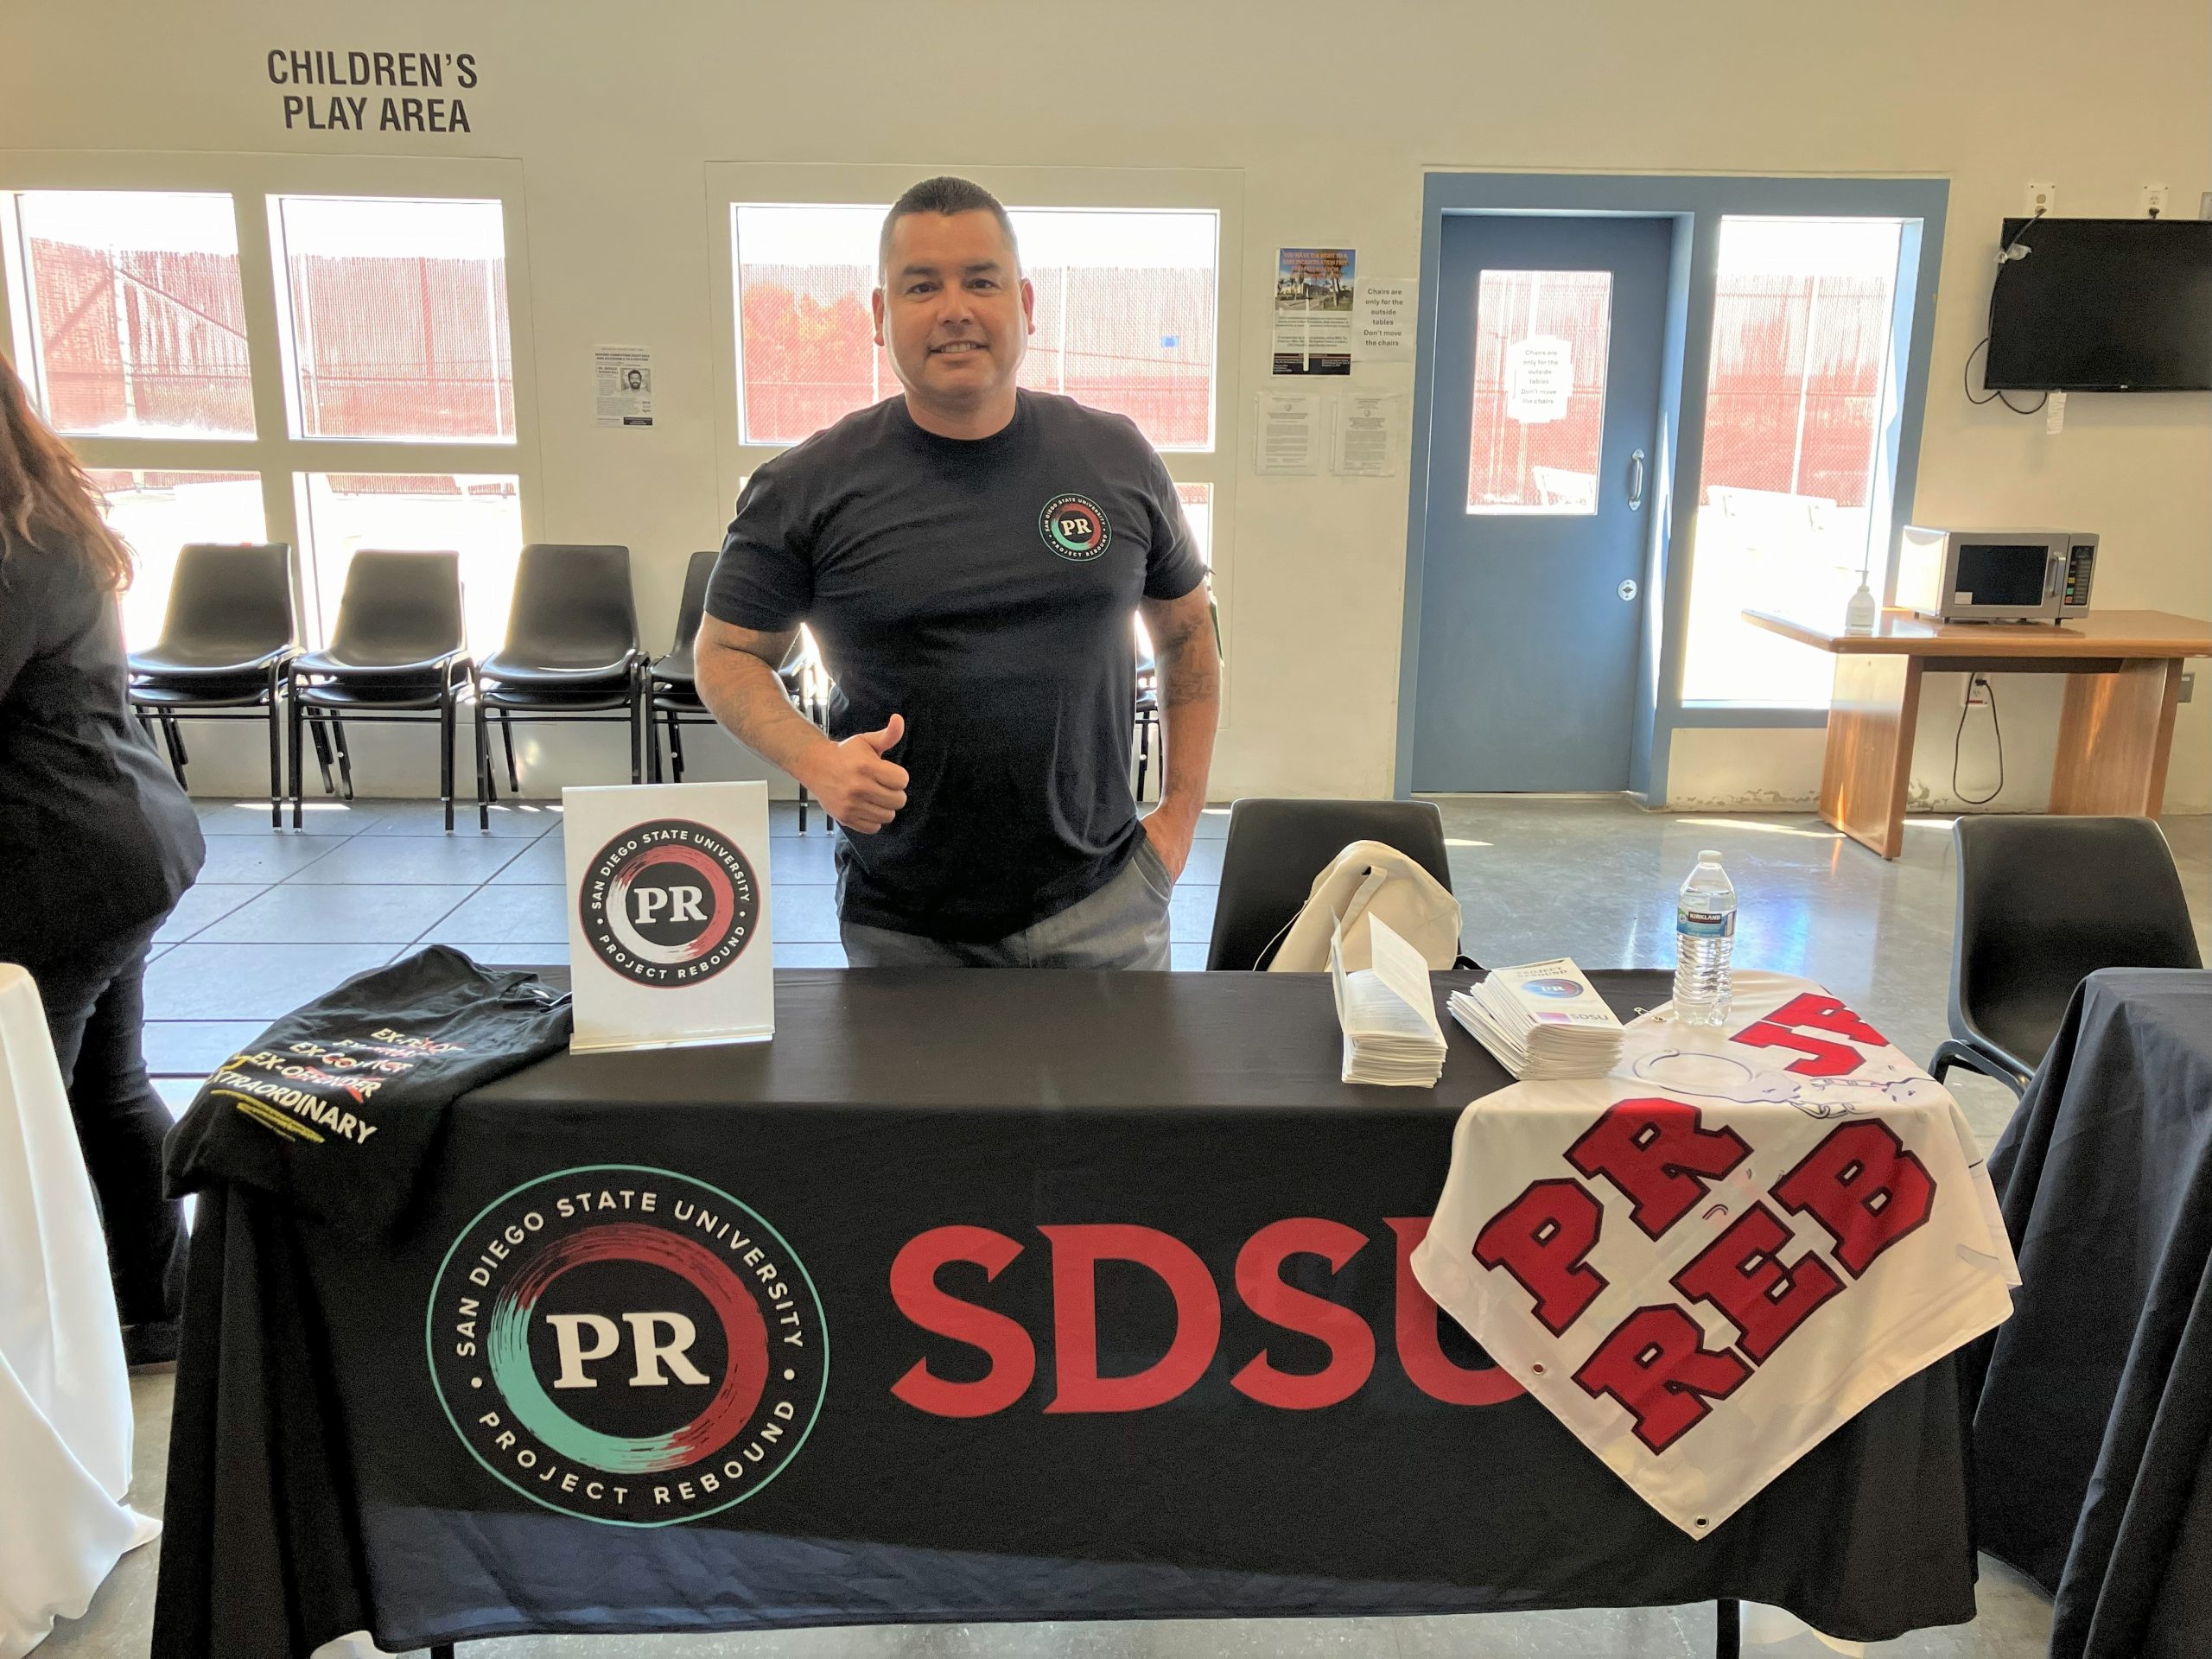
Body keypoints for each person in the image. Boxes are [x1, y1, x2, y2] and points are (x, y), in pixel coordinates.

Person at [696, 176, 1220, 968]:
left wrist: (1180, 817)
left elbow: (1187, 637)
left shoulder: (1116, 458)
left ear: (1026, 304)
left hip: (1107, 906)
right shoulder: (805, 486)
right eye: (921, 285)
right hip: (904, 926)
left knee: (1122, 1098)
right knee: (920, 1101)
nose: (955, 308)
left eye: (982, 280)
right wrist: (814, 759)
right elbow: (725, 655)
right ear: (880, 317)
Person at [0, 354, 204, 1365]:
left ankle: (49, 1348)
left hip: (58, 869)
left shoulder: (6, 547)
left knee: (25, 1124)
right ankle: (164, 1307)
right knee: (104, 1091)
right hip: (123, 844)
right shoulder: (43, 512)